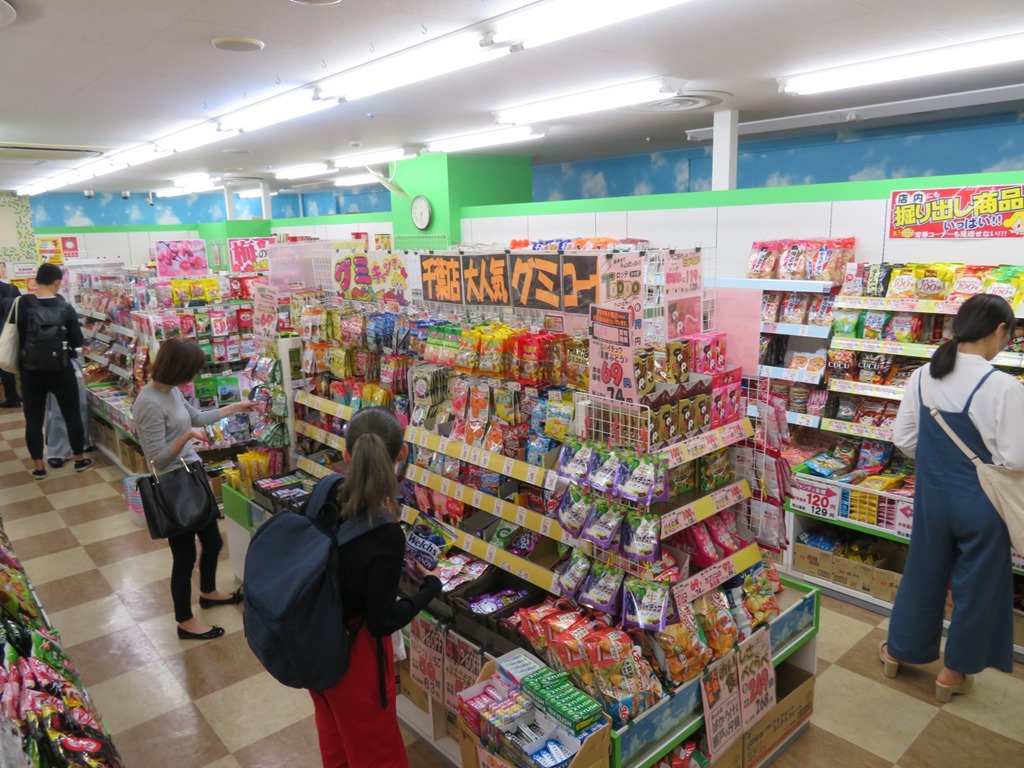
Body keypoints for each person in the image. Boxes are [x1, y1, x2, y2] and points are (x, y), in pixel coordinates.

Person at [883, 294, 1024, 702]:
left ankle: (897, 651)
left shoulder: (922, 376)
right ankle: (952, 673)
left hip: (932, 498)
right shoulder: (1003, 387)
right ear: (999, 331)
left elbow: (904, 439)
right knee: (978, 587)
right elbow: (1016, 458)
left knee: (922, 575)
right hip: (982, 505)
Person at [310, 407, 442, 768]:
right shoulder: (384, 533)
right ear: (403, 454)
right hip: (354, 656)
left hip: (314, 640)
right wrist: (429, 588)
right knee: (376, 750)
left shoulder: (325, 491)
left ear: (346, 454)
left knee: (335, 735)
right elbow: (383, 620)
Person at [132, 339, 257, 641]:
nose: (194, 377)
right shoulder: (148, 403)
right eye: (192, 371)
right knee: (184, 557)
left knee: (213, 542)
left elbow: (197, 418)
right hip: (174, 486)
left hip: (192, 475)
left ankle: (208, 592)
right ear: (178, 369)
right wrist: (187, 436)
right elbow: (156, 460)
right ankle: (184, 621)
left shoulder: (171, 390)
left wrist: (236, 407)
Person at [13, 264, 91, 479]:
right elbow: (77, 341)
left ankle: (39, 467)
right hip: (61, 370)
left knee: (33, 420)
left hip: (30, 371)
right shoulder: (65, 308)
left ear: (36, 280)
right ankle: (79, 459)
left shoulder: (23, 304)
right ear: (57, 283)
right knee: (72, 416)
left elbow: (17, 336)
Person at [44, 358, 94, 468]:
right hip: (54, 365)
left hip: (59, 365)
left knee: (76, 407)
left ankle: (78, 445)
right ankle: (59, 452)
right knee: (60, 410)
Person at [0, 276, 21, 408]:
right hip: (15, 332)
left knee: (4, 366)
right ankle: (24, 394)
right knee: (19, 363)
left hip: (1, 334)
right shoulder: (11, 289)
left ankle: (12, 397)